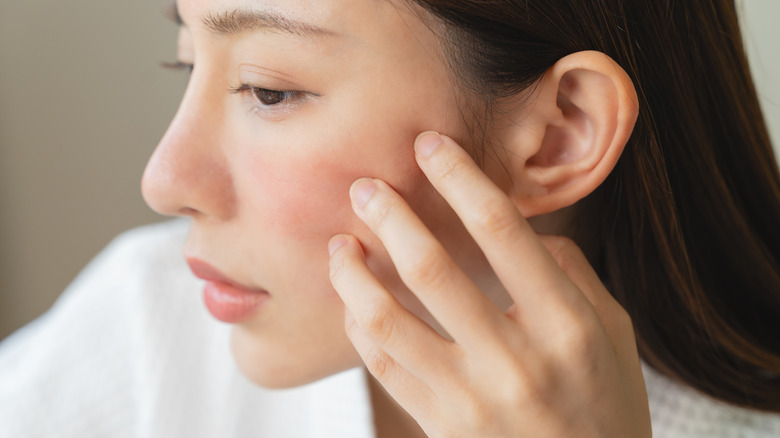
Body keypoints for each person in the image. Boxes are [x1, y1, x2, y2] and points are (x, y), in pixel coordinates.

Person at [1, 0, 779, 436]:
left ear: (558, 134)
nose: (164, 181)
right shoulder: (150, 321)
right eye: (186, 61)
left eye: (269, 90)